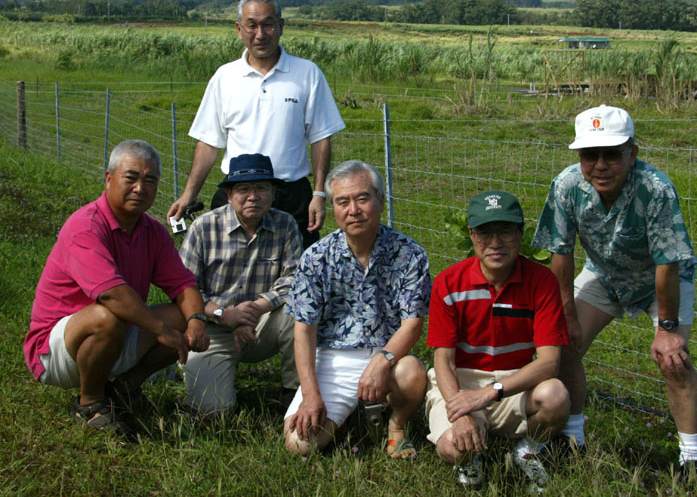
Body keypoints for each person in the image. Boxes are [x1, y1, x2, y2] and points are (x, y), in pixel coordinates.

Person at [532, 105, 697, 480]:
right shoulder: (566, 186)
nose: (600, 165)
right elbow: (560, 253)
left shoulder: (655, 189)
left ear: (633, 153)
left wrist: (668, 328)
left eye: (612, 154)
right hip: (605, 274)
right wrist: (568, 315)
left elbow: (667, 264)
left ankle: (693, 459)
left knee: (674, 360)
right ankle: (571, 439)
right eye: (589, 155)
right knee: (563, 343)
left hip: (660, 280)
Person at [24, 140, 210, 433]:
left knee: (180, 316)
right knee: (107, 315)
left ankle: (124, 390)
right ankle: (90, 404)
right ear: (109, 179)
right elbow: (111, 293)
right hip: (56, 349)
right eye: (131, 177)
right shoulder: (85, 226)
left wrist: (197, 321)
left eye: (150, 180)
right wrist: (162, 332)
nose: (140, 188)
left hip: (113, 334)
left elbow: (183, 283)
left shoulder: (154, 233)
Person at [167, 0, 345, 248]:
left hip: (291, 196)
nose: (260, 34)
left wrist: (318, 194)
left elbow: (320, 138)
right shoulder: (224, 77)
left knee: (296, 276)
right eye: (252, 25)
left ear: (281, 27)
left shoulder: (307, 73)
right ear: (239, 29)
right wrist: (188, 195)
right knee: (228, 271)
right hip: (237, 192)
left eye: (268, 24)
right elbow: (208, 143)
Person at [283, 160, 431, 458]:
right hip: (332, 359)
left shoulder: (410, 253)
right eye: (342, 202)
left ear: (381, 200)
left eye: (362, 198)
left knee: (413, 372)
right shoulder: (316, 258)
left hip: (387, 354)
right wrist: (311, 394)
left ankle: (396, 426)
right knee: (299, 445)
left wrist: (382, 361)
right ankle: (349, 412)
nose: (354, 210)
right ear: (333, 208)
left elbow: (413, 324)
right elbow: (304, 330)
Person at [426, 190, 570, 490]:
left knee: (555, 396)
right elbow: (444, 359)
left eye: (506, 231)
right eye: (484, 232)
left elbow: (549, 364)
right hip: (461, 383)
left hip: (514, 382)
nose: (495, 243)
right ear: (471, 234)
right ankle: (470, 458)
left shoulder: (542, 282)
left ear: (520, 233)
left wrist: (492, 392)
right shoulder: (448, 283)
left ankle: (527, 448)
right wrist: (461, 409)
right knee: (452, 447)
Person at [178, 153, 303, 415]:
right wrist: (225, 315)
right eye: (243, 189)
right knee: (211, 410)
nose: (253, 196)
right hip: (213, 326)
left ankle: (293, 393)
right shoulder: (203, 228)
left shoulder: (286, 224)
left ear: (274, 192)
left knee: (301, 309)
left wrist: (255, 309)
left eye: (261, 188)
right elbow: (184, 287)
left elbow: (294, 278)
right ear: (229, 194)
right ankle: (180, 362)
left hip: (262, 323)